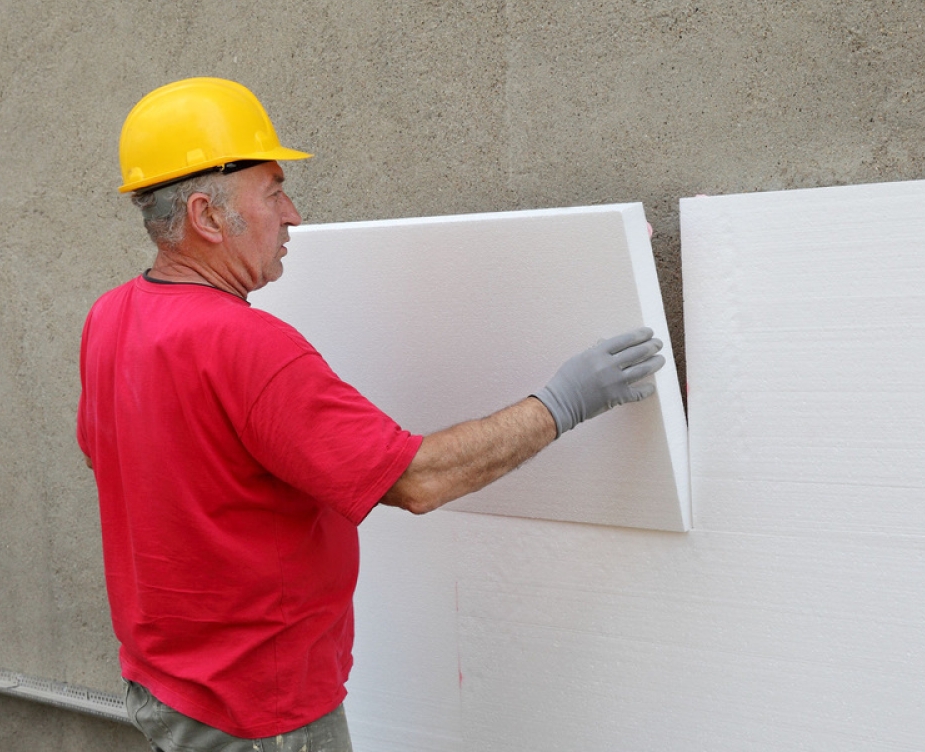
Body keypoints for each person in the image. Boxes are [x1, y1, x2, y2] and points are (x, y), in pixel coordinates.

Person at [78, 77, 665, 752]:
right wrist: (562, 403)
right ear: (209, 217)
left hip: (168, 691)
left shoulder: (111, 317)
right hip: (258, 712)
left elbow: (127, 461)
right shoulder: (245, 345)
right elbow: (414, 480)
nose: (293, 213)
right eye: (273, 192)